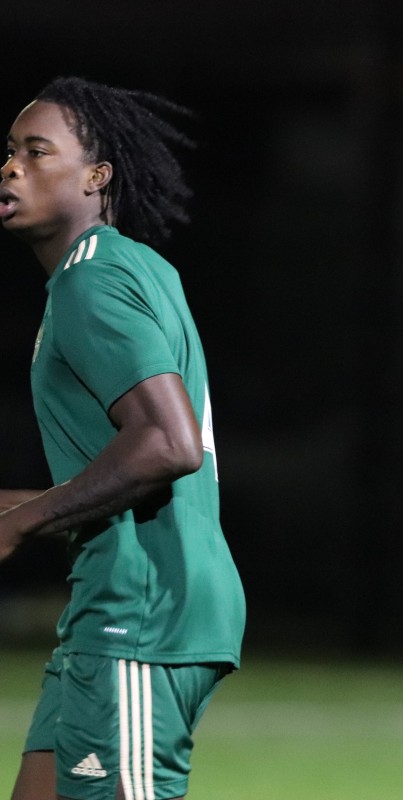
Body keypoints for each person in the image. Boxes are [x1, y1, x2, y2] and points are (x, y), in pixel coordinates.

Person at [0, 76, 245, 800]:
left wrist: (24, 523)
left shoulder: (90, 284)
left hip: (143, 612)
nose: (11, 167)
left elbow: (168, 445)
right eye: (9, 151)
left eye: (37, 152)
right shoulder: (132, 267)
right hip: (108, 611)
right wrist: (24, 502)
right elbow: (131, 453)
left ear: (96, 175)